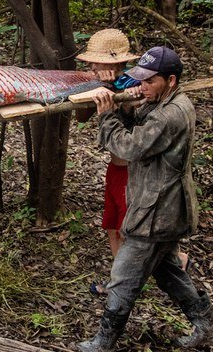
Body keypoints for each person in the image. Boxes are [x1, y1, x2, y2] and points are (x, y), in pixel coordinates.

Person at [80, 47, 213, 351]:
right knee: (168, 271)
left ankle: (104, 341)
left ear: (170, 80)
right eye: (141, 80)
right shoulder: (162, 101)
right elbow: (137, 125)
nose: (142, 86)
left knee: (123, 274)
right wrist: (124, 107)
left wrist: (107, 116)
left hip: (158, 212)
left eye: (149, 81)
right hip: (159, 206)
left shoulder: (171, 114)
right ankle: (206, 325)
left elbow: (131, 147)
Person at [75, 29, 191, 295]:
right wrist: (100, 87)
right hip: (115, 168)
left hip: (134, 173)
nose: (92, 66)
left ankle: (138, 279)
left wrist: (114, 92)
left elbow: (132, 137)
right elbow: (81, 116)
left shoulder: (137, 85)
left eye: (96, 62)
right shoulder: (104, 84)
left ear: (113, 62)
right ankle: (121, 282)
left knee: (133, 231)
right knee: (113, 227)